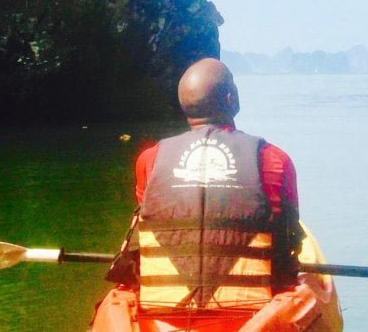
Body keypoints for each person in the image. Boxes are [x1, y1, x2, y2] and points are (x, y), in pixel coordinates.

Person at [95, 58, 337, 331]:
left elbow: (150, 223)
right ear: (231, 98)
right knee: (305, 292)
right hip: (254, 316)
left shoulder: (149, 160)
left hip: (164, 315)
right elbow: (288, 235)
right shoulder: (274, 159)